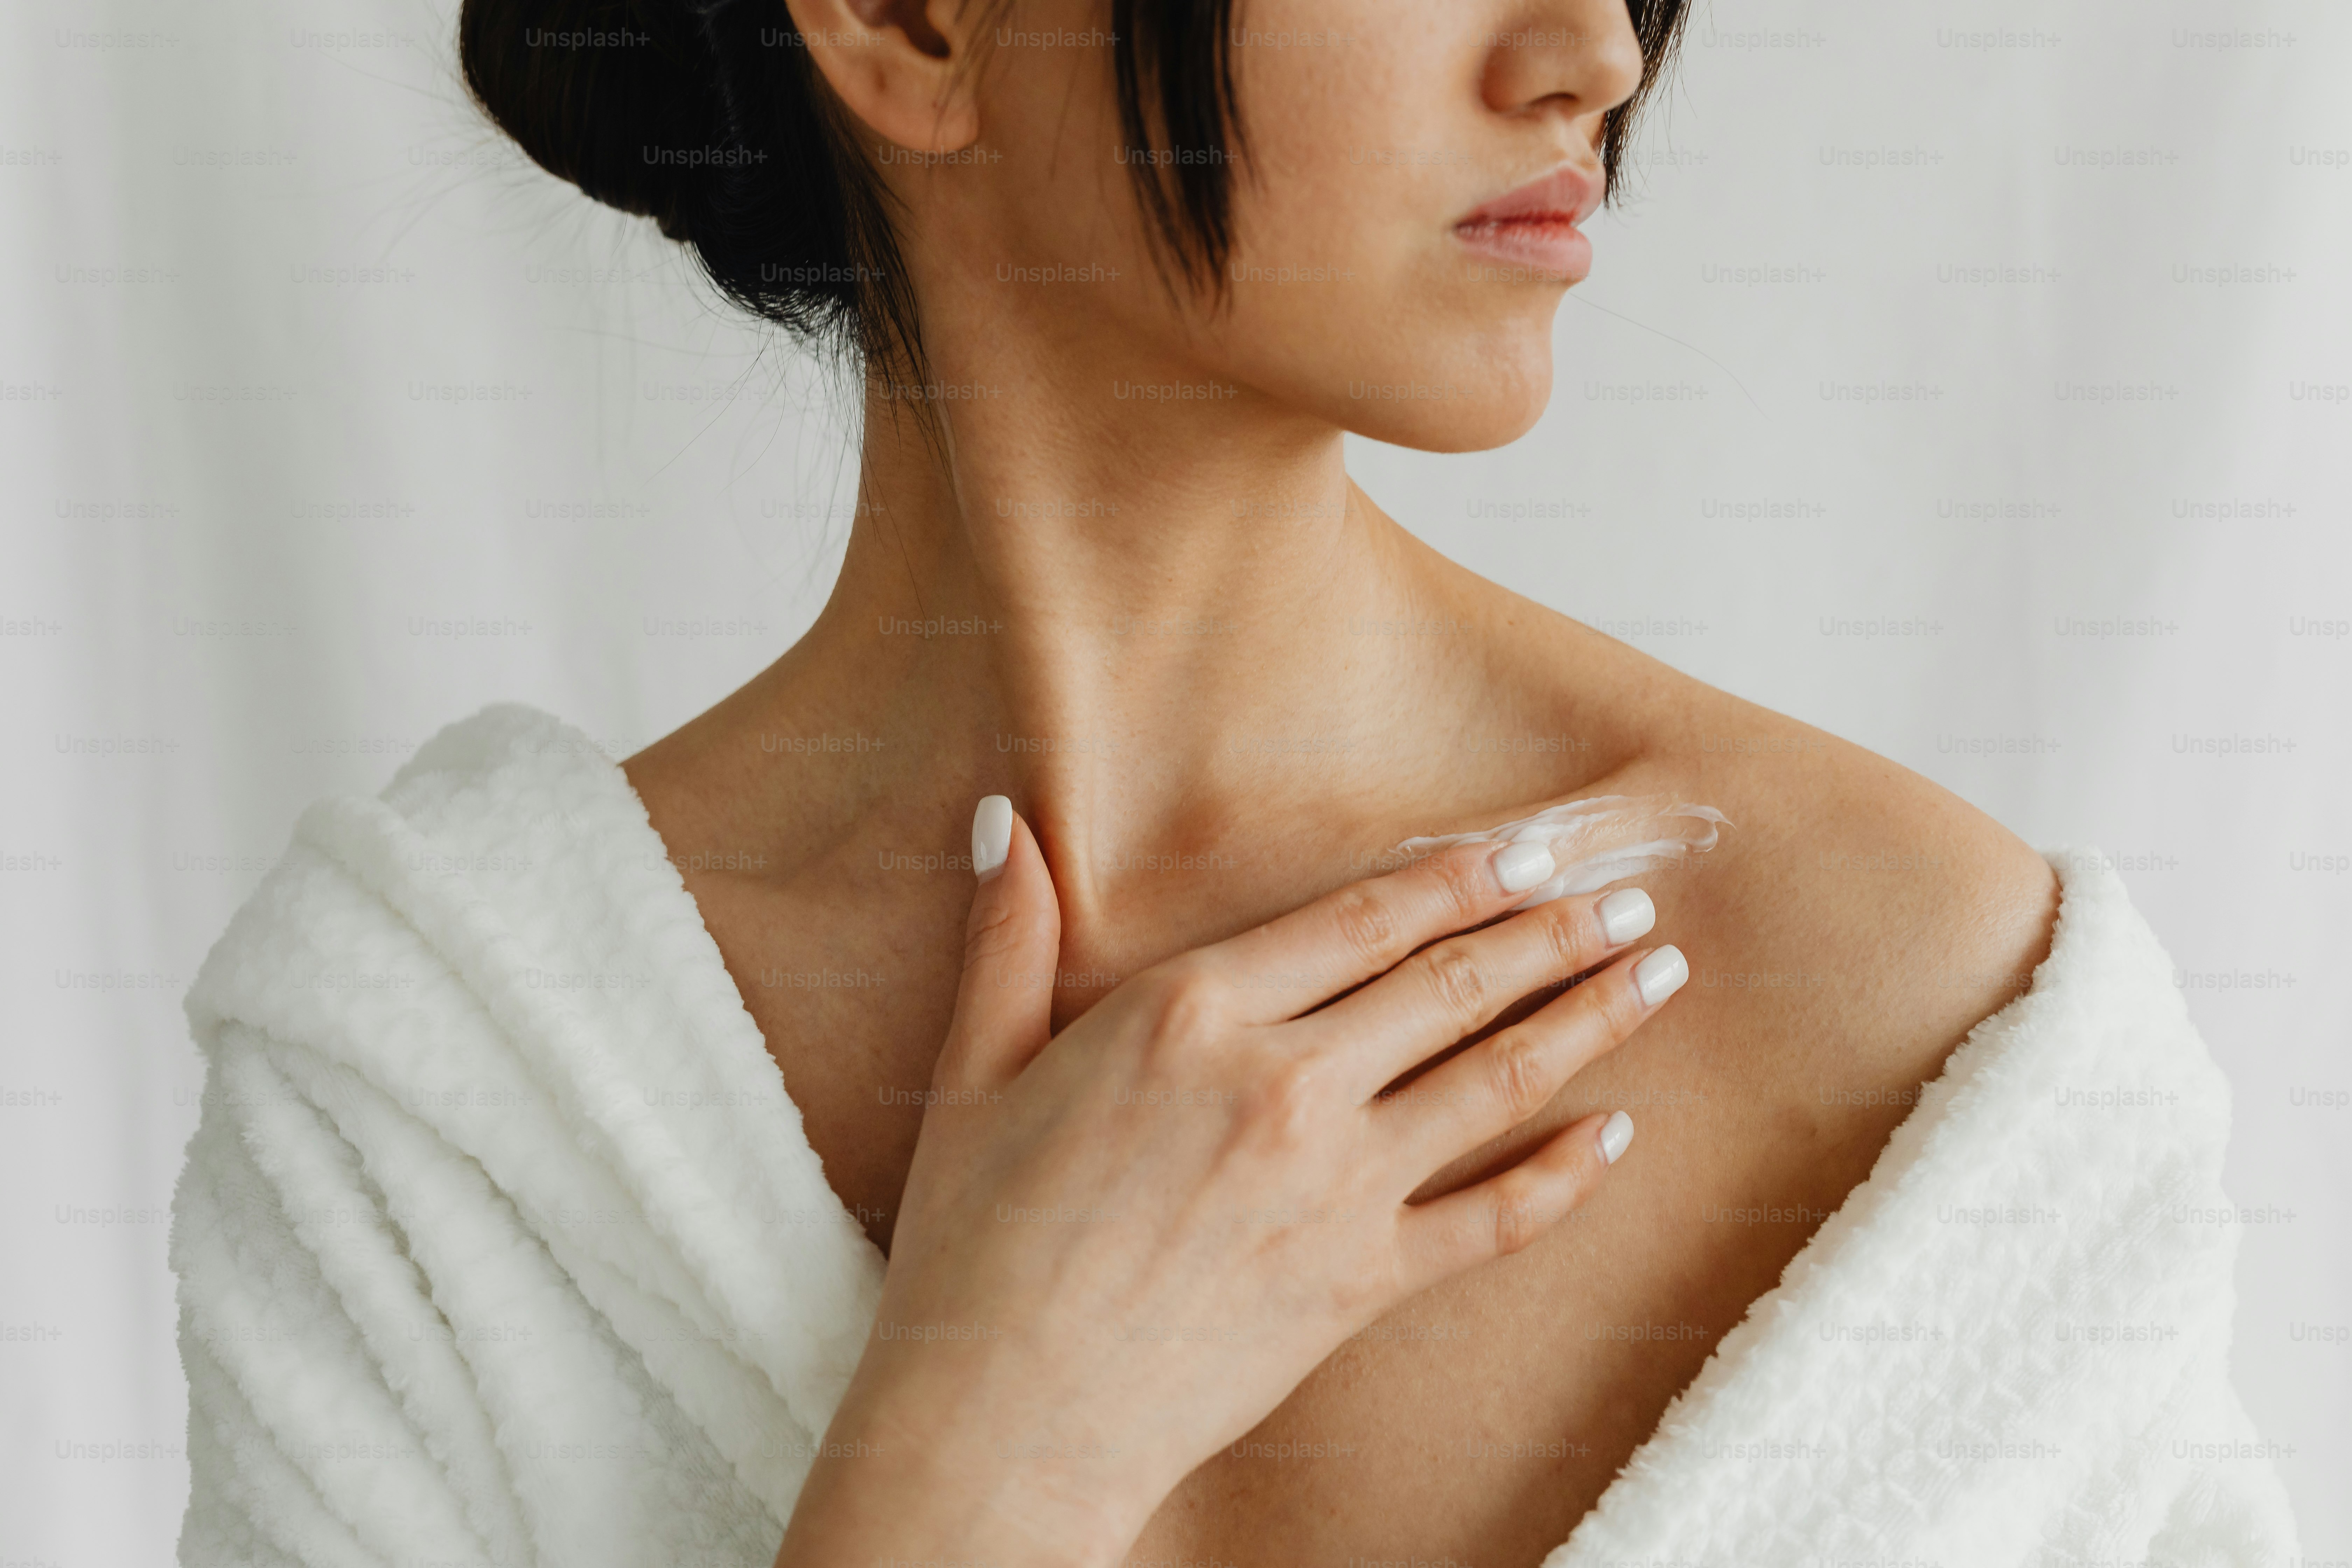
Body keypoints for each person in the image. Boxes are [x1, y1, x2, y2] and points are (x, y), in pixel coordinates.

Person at [168, 2, 2299, 1565]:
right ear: (910, 23)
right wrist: (984, 1464)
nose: (1590, 56)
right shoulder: (455, 1093)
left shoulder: (1934, 1032)